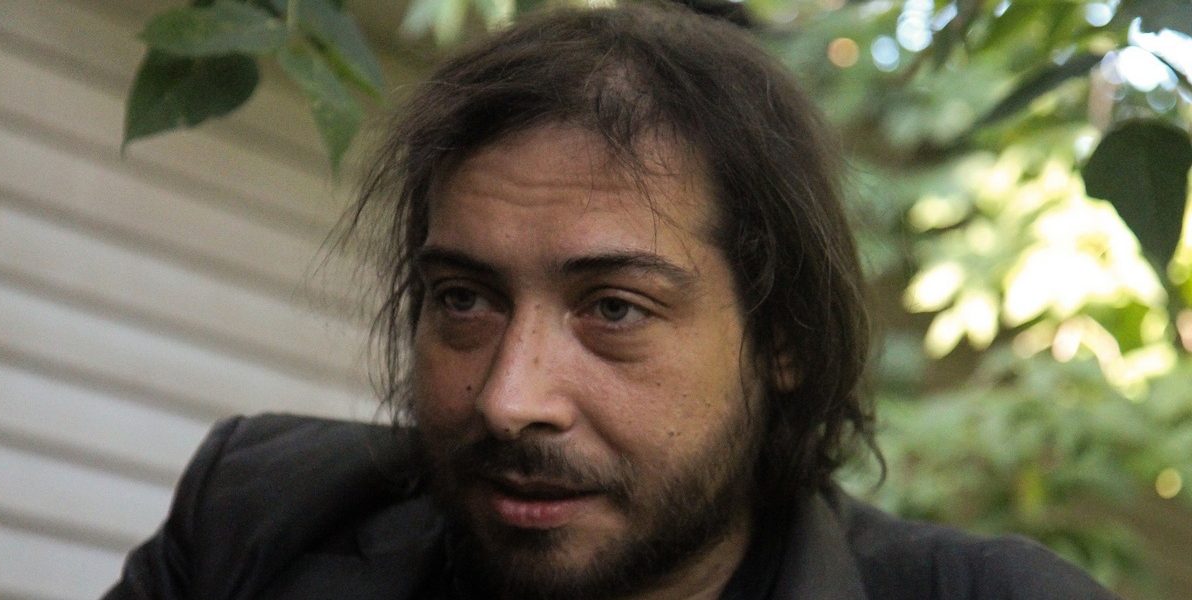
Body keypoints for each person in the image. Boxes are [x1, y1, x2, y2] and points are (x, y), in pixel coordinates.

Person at [103, 3, 1119, 599]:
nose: (511, 399)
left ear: (785, 339)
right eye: (464, 298)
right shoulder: (256, 519)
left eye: (615, 310)